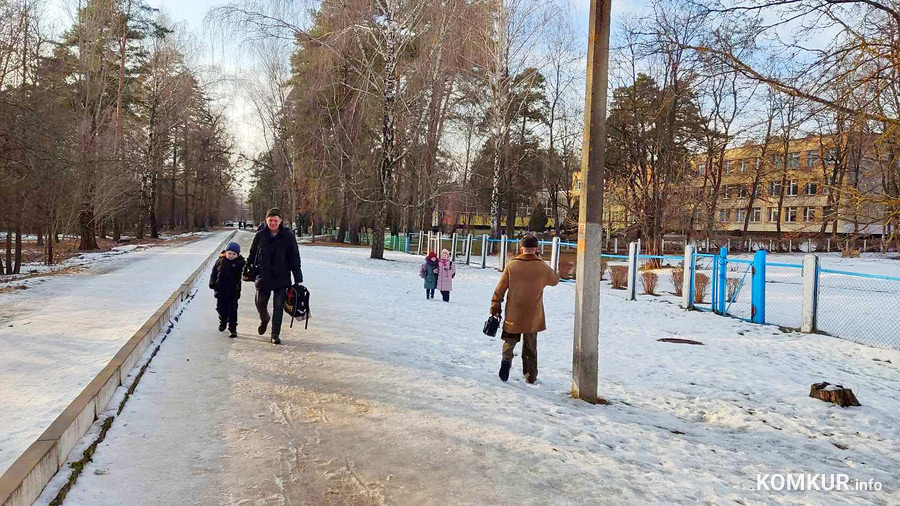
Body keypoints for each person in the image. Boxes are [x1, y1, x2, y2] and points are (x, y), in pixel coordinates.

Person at [489, 234, 559, 383]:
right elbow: (555, 280)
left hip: (513, 312)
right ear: (536, 248)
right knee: (530, 346)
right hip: (533, 315)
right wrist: (540, 260)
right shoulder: (541, 266)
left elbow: (500, 289)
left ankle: (506, 360)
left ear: (521, 248)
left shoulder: (512, 265)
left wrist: (495, 307)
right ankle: (530, 374)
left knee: (510, 340)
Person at [245, 208, 303, 345]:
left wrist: (298, 277)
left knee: (278, 307)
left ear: (280, 221)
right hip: (263, 276)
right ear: (266, 220)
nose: (272, 223)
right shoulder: (260, 235)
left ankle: (275, 334)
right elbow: (252, 254)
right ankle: (264, 319)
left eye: (275, 220)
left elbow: (294, 257)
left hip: (281, 278)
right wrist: (247, 268)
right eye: (270, 220)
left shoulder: (288, 236)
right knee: (260, 304)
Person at [209, 242, 245, 338]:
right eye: (229, 253)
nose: (231, 256)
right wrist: (212, 283)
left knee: (232, 310)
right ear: (226, 252)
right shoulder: (220, 261)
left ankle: (232, 328)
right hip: (220, 290)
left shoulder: (240, 263)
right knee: (220, 308)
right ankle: (223, 320)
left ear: (237, 254)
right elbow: (214, 273)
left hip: (233, 291)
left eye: (234, 254)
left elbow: (246, 271)